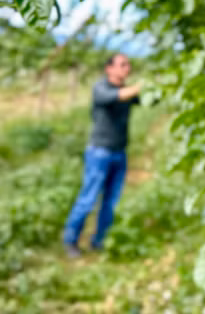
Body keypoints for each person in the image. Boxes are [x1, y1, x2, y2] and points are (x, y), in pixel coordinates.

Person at [63, 53, 141, 258]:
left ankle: (99, 241)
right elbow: (114, 97)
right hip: (100, 153)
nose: (127, 69)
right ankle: (70, 240)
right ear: (109, 69)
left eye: (128, 64)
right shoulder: (101, 88)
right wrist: (138, 87)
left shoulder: (127, 92)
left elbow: (145, 99)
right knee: (88, 198)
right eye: (123, 64)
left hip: (119, 153)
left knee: (110, 201)